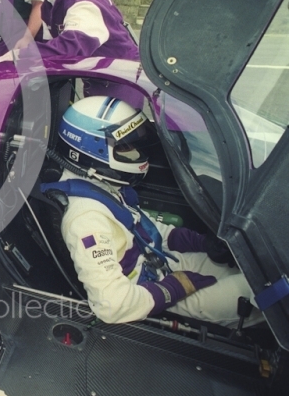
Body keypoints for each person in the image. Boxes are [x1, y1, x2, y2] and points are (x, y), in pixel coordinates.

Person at [42, 96, 261, 327]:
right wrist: (175, 287)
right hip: (148, 293)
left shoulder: (100, 183)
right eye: (125, 146)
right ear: (94, 150)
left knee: (254, 273)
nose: (134, 152)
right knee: (264, 296)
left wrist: (201, 243)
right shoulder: (86, 219)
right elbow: (112, 305)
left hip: (160, 262)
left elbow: (146, 230)